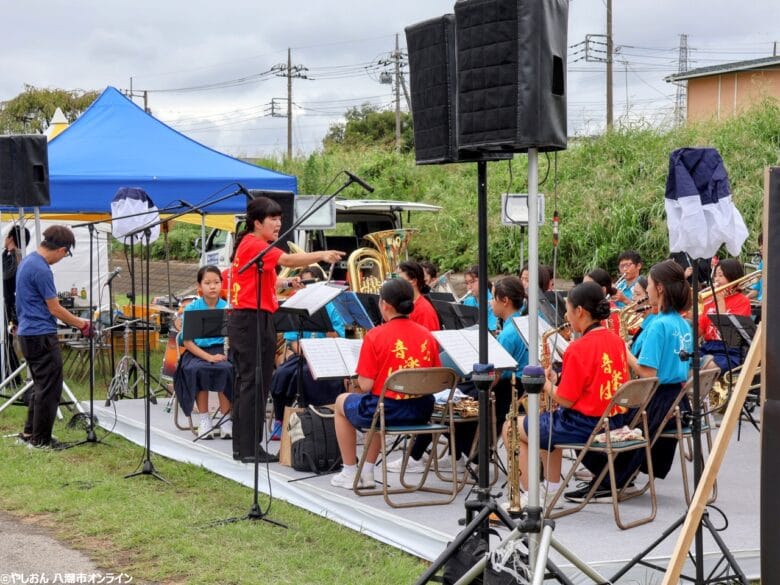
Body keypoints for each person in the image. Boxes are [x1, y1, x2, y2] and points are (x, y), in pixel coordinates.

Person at [228, 197, 344, 463]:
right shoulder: (255, 244)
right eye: (273, 219)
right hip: (251, 320)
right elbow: (289, 258)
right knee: (254, 383)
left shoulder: (252, 245)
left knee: (249, 383)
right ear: (257, 223)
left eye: (280, 219)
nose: (279, 224)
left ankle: (243, 446)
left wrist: (286, 284)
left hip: (250, 318)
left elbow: (262, 280)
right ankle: (249, 449)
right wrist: (321, 255)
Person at [567, 260, 693, 502]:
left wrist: (625, 353)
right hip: (675, 402)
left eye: (650, 286)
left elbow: (647, 373)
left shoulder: (659, 325)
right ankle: (621, 473)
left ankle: (610, 478)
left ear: (660, 290)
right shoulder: (682, 323)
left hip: (656, 402)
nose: (646, 291)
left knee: (593, 417)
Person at [504, 281, 629, 507]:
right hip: (614, 420)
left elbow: (566, 400)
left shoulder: (578, 347)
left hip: (584, 424)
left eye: (568, 311)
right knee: (543, 422)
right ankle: (551, 492)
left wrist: (543, 383)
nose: (566, 317)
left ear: (579, 311)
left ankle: (529, 497)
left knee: (512, 427)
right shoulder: (617, 340)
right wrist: (556, 382)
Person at [331, 279, 441, 489]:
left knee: (342, 403)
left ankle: (349, 470)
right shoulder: (427, 336)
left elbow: (365, 385)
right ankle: (367, 472)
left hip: (387, 412)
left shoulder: (374, 336)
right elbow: (434, 376)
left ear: (385, 305)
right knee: (380, 404)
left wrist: (356, 379)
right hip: (422, 411)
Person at [15, 226, 90, 449]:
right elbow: (55, 308)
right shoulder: (42, 269)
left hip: (28, 334)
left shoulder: (28, 262)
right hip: (41, 335)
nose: (63, 258)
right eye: (66, 254)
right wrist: (82, 324)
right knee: (50, 387)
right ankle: (41, 440)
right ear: (62, 250)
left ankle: (30, 433)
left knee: (41, 385)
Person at [173, 266, 233, 440]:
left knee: (227, 369)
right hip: (196, 352)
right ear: (200, 285)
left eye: (216, 282)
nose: (212, 286)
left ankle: (226, 420)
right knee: (197, 370)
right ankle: (204, 419)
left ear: (222, 284)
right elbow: (187, 342)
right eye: (207, 283)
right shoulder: (192, 308)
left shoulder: (227, 307)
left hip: (222, 350)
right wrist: (208, 357)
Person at [698, 258, 752, 372]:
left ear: (733, 277)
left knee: (707, 366)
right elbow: (700, 331)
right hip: (708, 347)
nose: (716, 280)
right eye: (715, 275)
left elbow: (732, 336)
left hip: (729, 351)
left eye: (720, 275)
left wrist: (720, 302)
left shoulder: (743, 301)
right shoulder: (709, 299)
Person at [3, 225, 30, 383]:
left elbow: (6, 279)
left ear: (11, 238)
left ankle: (12, 378)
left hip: (8, 306)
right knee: (6, 342)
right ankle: (12, 377)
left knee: (6, 342)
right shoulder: (13, 256)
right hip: (9, 305)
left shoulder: (15, 258)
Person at [398, 260, 440, 331]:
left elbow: (427, 340)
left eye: (401, 280)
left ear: (413, 281)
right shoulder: (409, 304)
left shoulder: (424, 311)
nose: (397, 283)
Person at [584, 268, 620, 337]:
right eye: (583, 286)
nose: (582, 290)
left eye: (588, 287)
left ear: (603, 290)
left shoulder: (612, 312)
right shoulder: (590, 307)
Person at [462, 265, 497, 333]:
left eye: (472, 282)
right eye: (467, 283)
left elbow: (492, 331)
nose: (469, 287)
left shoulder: (493, 303)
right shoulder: (467, 301)